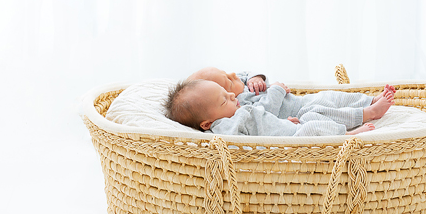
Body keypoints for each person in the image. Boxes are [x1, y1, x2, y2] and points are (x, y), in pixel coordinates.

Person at [165, 69, 396, 137]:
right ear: (207, 123)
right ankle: (358, 123)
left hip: (293, 114)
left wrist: (257, 78)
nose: (233, 94)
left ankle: (368, 102)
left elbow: (247, 76)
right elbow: (258, 120)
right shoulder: (226, 124)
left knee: (328, 97)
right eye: (225, 95)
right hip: (294, 130)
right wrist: (276, 95)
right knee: (316, 121)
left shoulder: (240, 92)